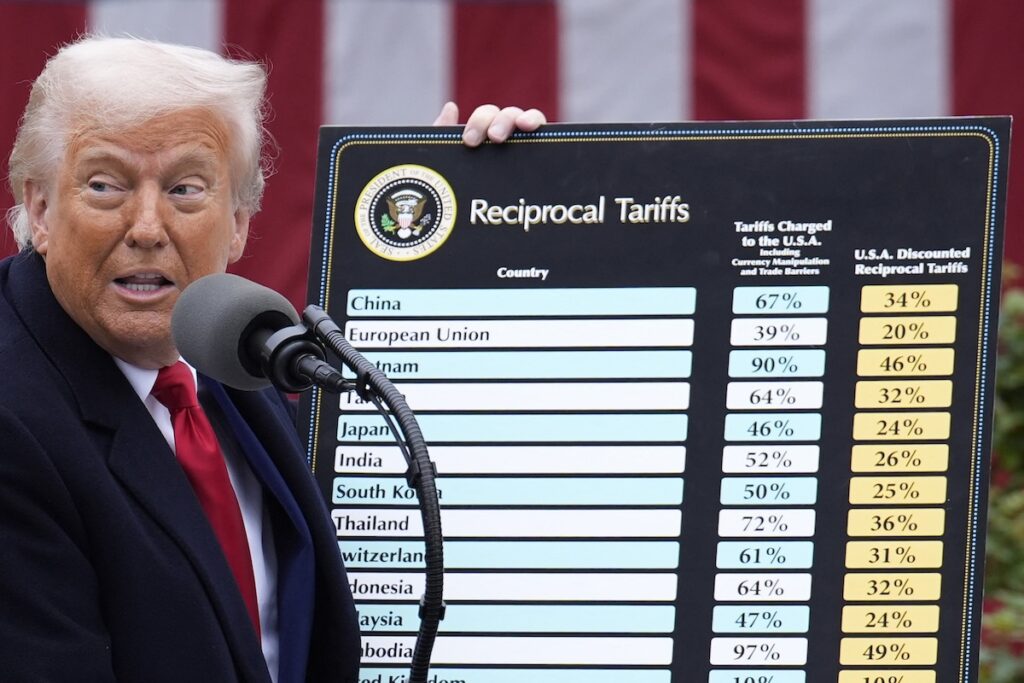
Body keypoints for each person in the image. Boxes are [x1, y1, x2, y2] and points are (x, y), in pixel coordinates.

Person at [0, 36, 544, 682]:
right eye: (105, 185)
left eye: (184, 189)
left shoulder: (229, 348)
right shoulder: (14, 421)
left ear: (238, 222)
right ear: (39, 208)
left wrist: (468, 220)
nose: (146, 227)